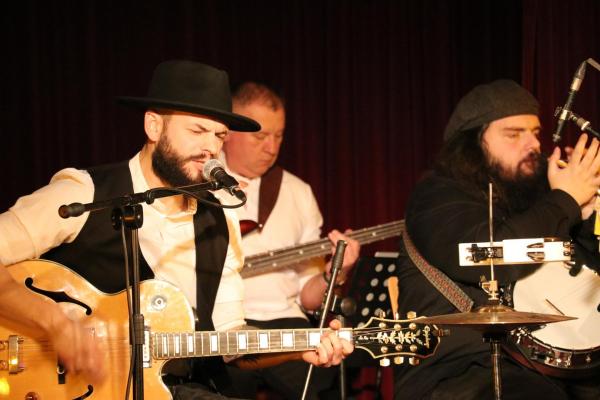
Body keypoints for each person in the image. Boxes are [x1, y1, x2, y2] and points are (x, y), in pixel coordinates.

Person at [0, 60, 353, 399]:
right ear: (154, 126)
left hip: (175, 390)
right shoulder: (84, 192)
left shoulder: (220, 220)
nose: (210, 148)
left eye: (219, 135)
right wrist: (56, 324)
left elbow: (233, 343)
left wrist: (301, 346)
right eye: (197, 131)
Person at [393, 79, 600, 399]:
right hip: (458, 369)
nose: (533, 144)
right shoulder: (437, 195)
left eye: (535, 132)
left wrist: (586, 216)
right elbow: (490, 257)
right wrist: (566, 200)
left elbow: (579, 269)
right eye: (513, 134)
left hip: (547, 365)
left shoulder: (534, 194)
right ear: (474, 142)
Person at [218, 82, 360, 399]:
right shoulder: (198, 184)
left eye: (279, 136)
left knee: (328, 379)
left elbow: (308, 297)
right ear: (228, 132)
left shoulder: (298, 192)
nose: (271, 147)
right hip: (224, 324)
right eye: (260, 136)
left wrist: (336, 273)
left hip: (285, 324)